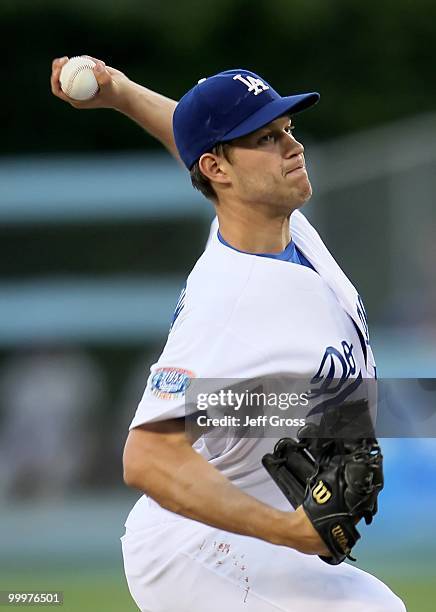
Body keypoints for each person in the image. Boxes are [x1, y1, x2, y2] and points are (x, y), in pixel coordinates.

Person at [51, 58, 406, 612]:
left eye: (287, 129)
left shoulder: (277, 224)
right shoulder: (230, 302)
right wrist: (289, 531)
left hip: (246, 535)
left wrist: (121, 94)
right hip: (197, 551)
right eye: (267, 137)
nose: (292, 146)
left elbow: (194, 137)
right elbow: (146, 457)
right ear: (218, 171)